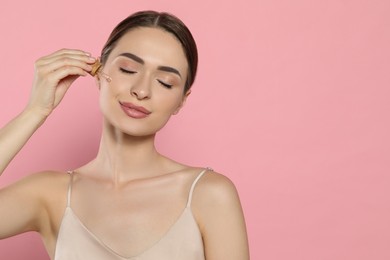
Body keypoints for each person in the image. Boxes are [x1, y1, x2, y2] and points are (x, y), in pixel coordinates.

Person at [0, 10, 249, 260]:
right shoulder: (49, 195)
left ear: (181, 102)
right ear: (98, 71)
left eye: (164, 82)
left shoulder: (209, 194)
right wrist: (34, 112)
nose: (141, 90)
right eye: (128, 70)